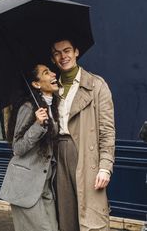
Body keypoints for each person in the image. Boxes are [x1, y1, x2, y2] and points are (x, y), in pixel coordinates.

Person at [51, 39, 115, 231]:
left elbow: (107, 130)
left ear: (77, 52)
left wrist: (105, 167)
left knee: (92, 219)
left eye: (67, 50)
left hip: (87, 157)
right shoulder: (52, 89)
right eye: (57, 53)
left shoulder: (96, 85)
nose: (63, 57)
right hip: (57, 156)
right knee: (65, 217)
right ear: (52, 58)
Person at [0, 64, 59, 231]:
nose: (54, 74)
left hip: (44, 186)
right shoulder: (28, 107)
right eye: (46, 73)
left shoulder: (51, 106)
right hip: (25, 187)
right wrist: (38, 125)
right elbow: (17, 148)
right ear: (36, 84)